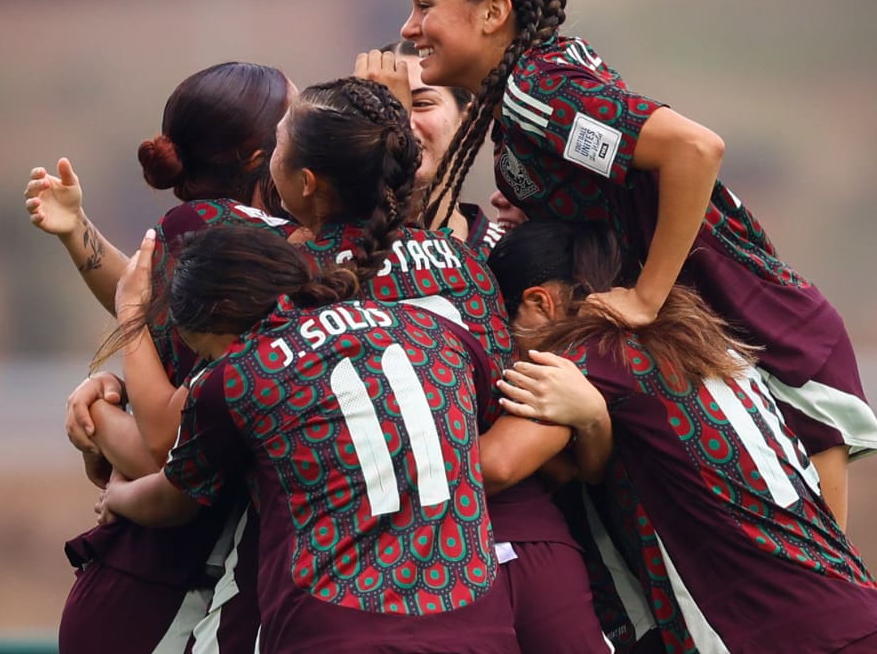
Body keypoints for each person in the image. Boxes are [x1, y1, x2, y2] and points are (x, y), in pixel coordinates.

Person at [399, 0, 877, 527]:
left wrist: (646, 297)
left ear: (493, 13)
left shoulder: (537, 89)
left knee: (817, 585)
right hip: (727, 347)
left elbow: (693, 149)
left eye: (424, 5)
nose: (409, 28)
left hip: (767, 339)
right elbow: (619, 181)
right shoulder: (529, 96)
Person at [255, 74, 610, 652]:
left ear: (308, 182)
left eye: (279, 145)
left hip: (393, 562)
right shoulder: (465, 261)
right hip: (527, 535)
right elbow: (509, 399)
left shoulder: (294, 276)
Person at [486, 220, 877, 654]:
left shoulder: (595, 350)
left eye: (503, 329)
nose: (504, 349)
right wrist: (594, 424)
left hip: (784, 633)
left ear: (540, 302)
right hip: (857, 613)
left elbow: (497, 464)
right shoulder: (698, 335)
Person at [97, 225, 521, 653]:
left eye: (206, 353)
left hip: (335, 629)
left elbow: (173, 498)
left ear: (221, 312)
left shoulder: (242, 374)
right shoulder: (436, 332)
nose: (208, 366)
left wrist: (116, 493)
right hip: (478, 628)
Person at [25, 61, 294, 652]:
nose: (308, 132)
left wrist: (78, 233)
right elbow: (167, 450)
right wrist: (105, 425)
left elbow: (141, 298)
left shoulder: (211, 228)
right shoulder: (242, 233)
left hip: (149, 578)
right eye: (295, 120)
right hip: (160, 587)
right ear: (258, 157)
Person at [367, 40, 507, 257]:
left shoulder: (506, 256)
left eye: (422, 103)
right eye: (382, 108)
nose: (405, 124)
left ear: (468, 121)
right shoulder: (334, 259)